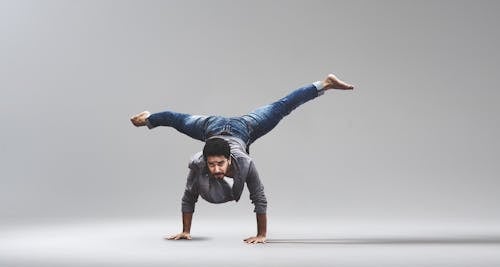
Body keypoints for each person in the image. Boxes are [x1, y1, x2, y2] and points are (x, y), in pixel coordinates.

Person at [130, 73, 354, 244]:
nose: (216, 169)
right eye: (212, 164)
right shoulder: (199, 163)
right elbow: (189, 196)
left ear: (229, 160)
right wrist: (186, 231)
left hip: (244, 128)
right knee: (175, 120)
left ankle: (324, 83)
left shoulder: (244, 163)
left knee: (282, 107)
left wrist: (261, 235)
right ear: (205, 160)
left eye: (220, 164)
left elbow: (258, 195)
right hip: (211, 127)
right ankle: (149, 119)